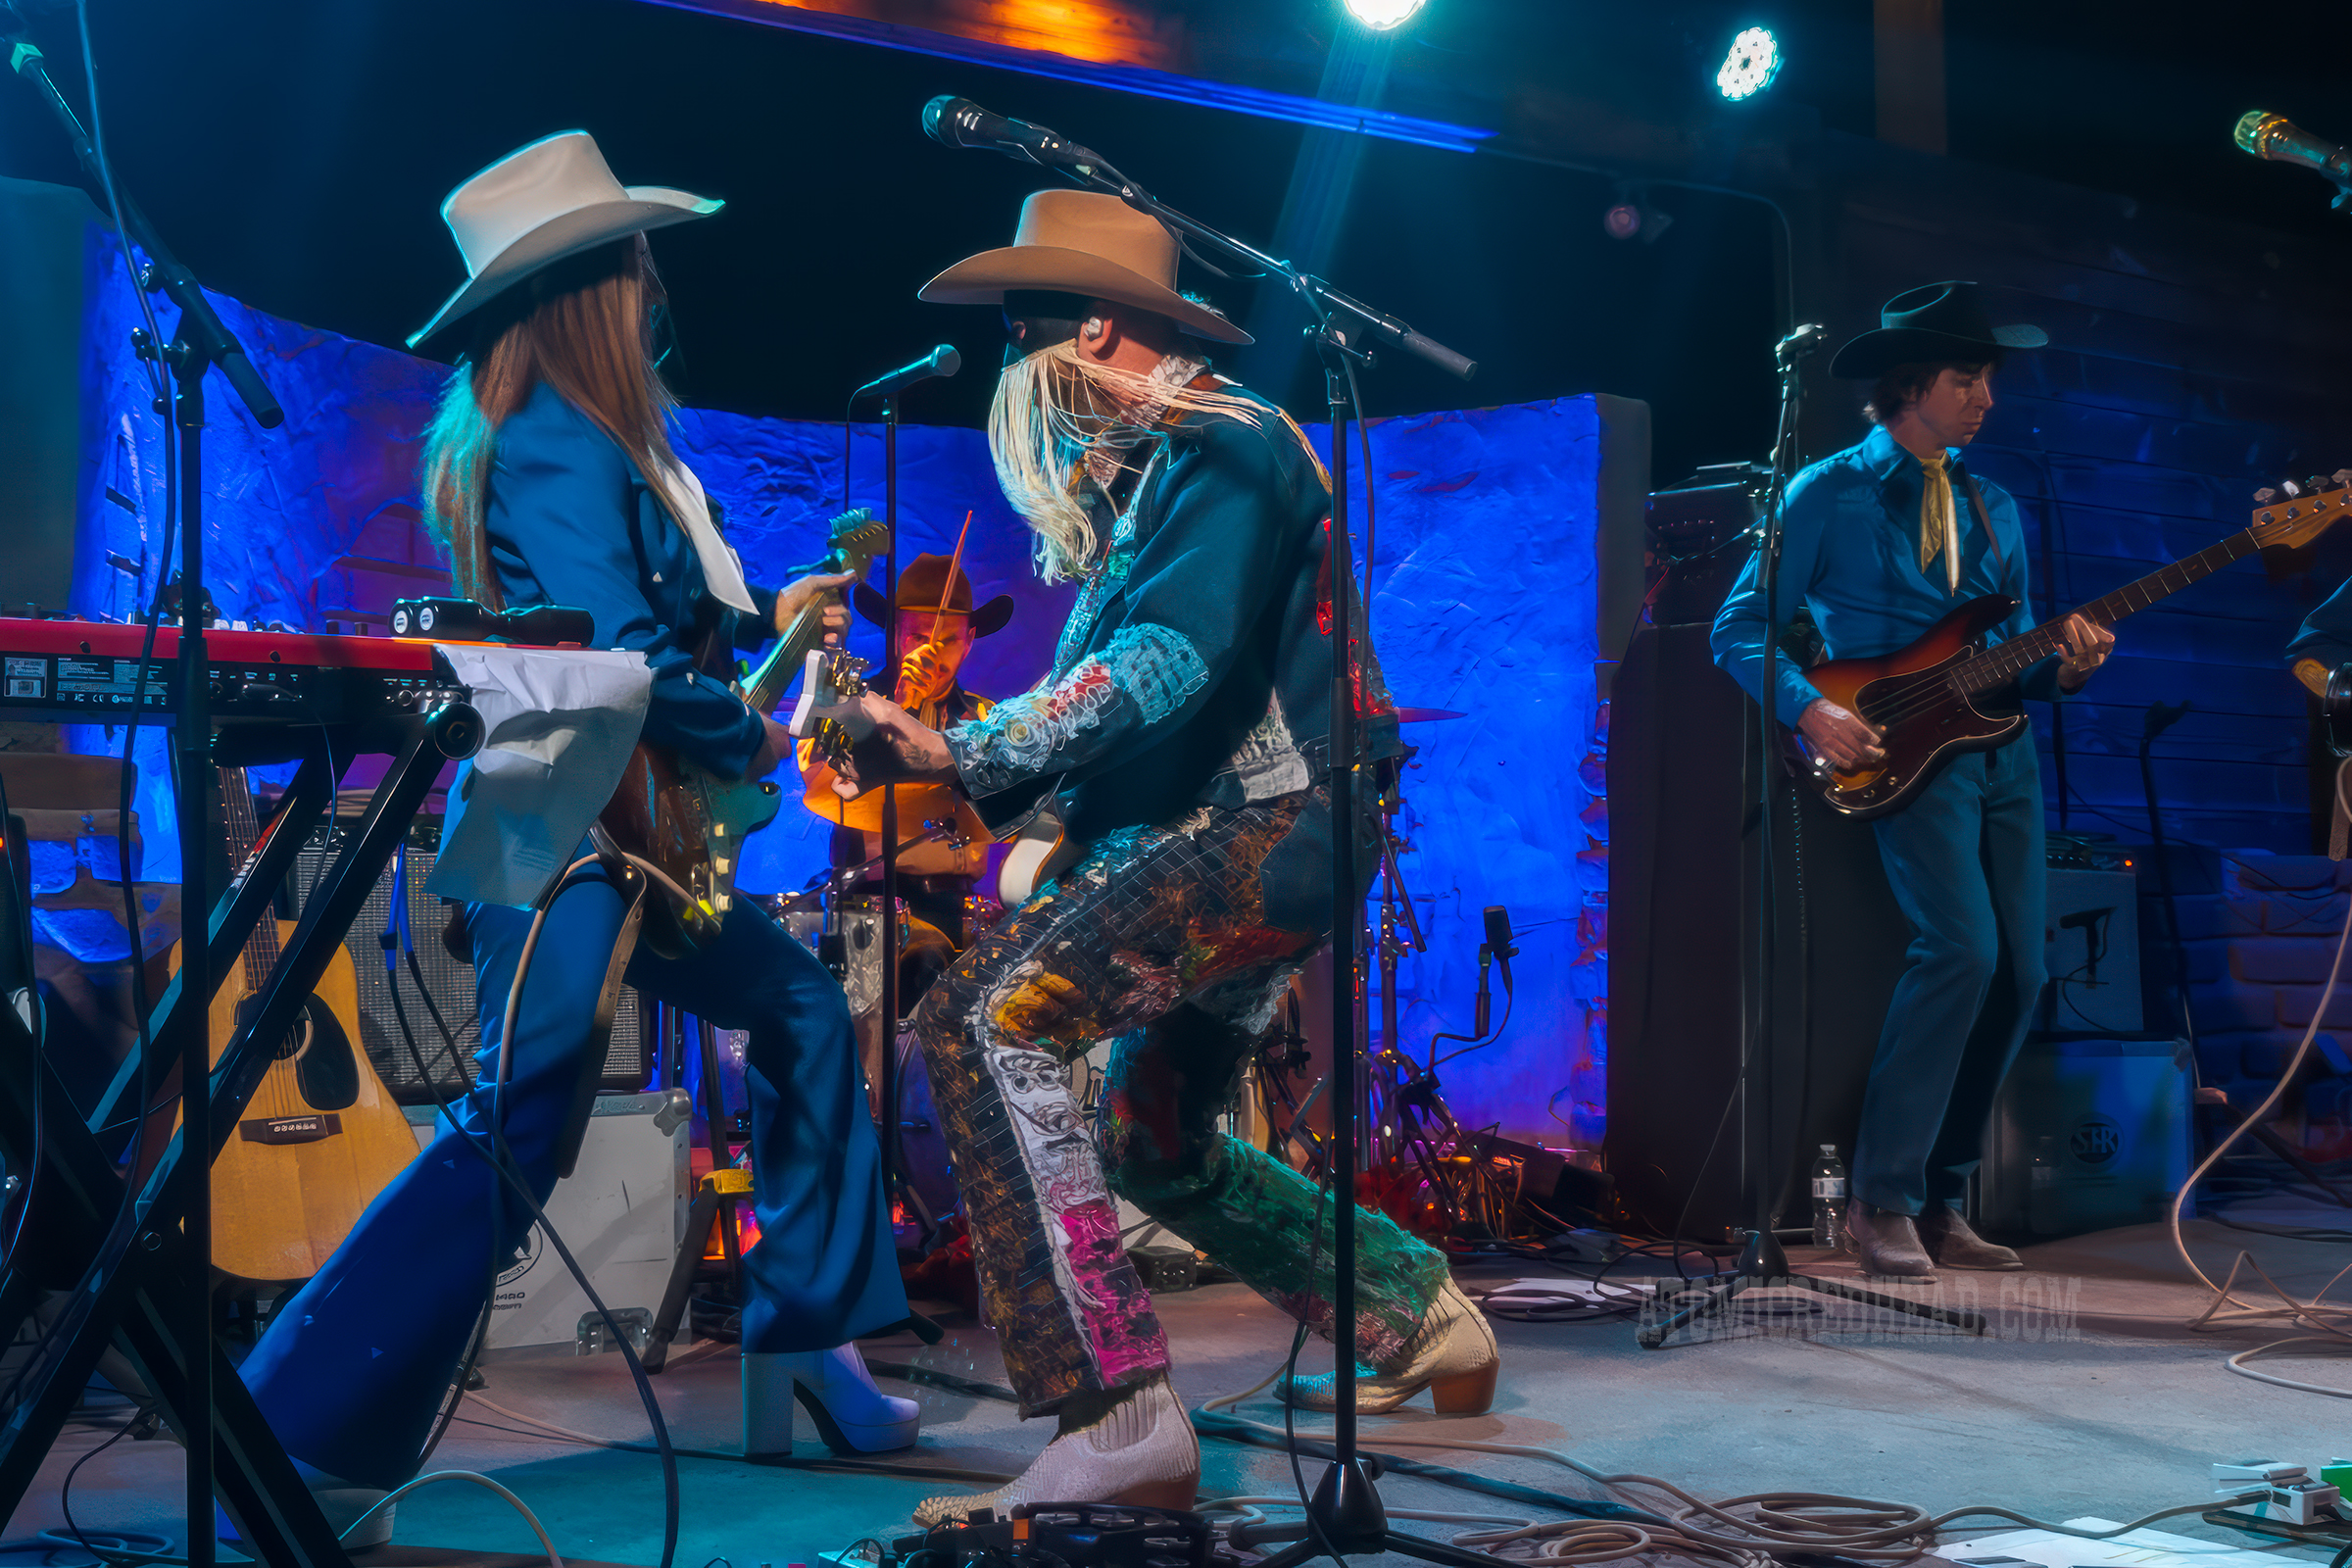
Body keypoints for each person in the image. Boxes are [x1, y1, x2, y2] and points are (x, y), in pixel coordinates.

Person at [235, 132, 917, 1546]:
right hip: (574, 820)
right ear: (597, 283)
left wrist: (764, 617)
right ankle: (289, 1428)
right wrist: (741, 727)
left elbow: (657, 619)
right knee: (520, 1129)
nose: (656, 276)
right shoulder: (550, 424)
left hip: (629, 822)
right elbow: (614, 653)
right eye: (634, 255)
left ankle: (808, 1340)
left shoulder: (596, 435)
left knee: (794, 1009)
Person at [824, 189, 1499, 1524]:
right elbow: (1134, 712)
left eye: (1023, 343)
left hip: (1266, 826)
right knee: (1157, 1139)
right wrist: (1014, 807)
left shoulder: (1225, 442)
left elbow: (1167, 663)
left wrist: (960, 752)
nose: (1014, 379)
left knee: (978, 1022)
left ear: (1089, 328)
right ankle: (1419, 1309)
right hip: (1261, 832)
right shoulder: (1154, 484)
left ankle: (1117, 1413)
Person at [1711, 281, 2116, 1280]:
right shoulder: (1824, 492)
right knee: (1961, 952)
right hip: (1904, 750)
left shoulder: (1996, 502)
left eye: (1986, 379)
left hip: (2002, 751)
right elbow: (1740, 627)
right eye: (1968, 378)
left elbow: (2008, 649)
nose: (1986, 397)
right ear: (1911, 385)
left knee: (2022, 970)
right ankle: (1878, 1198)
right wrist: (1811, 706)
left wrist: (2061, 664)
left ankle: (1942, 1197)